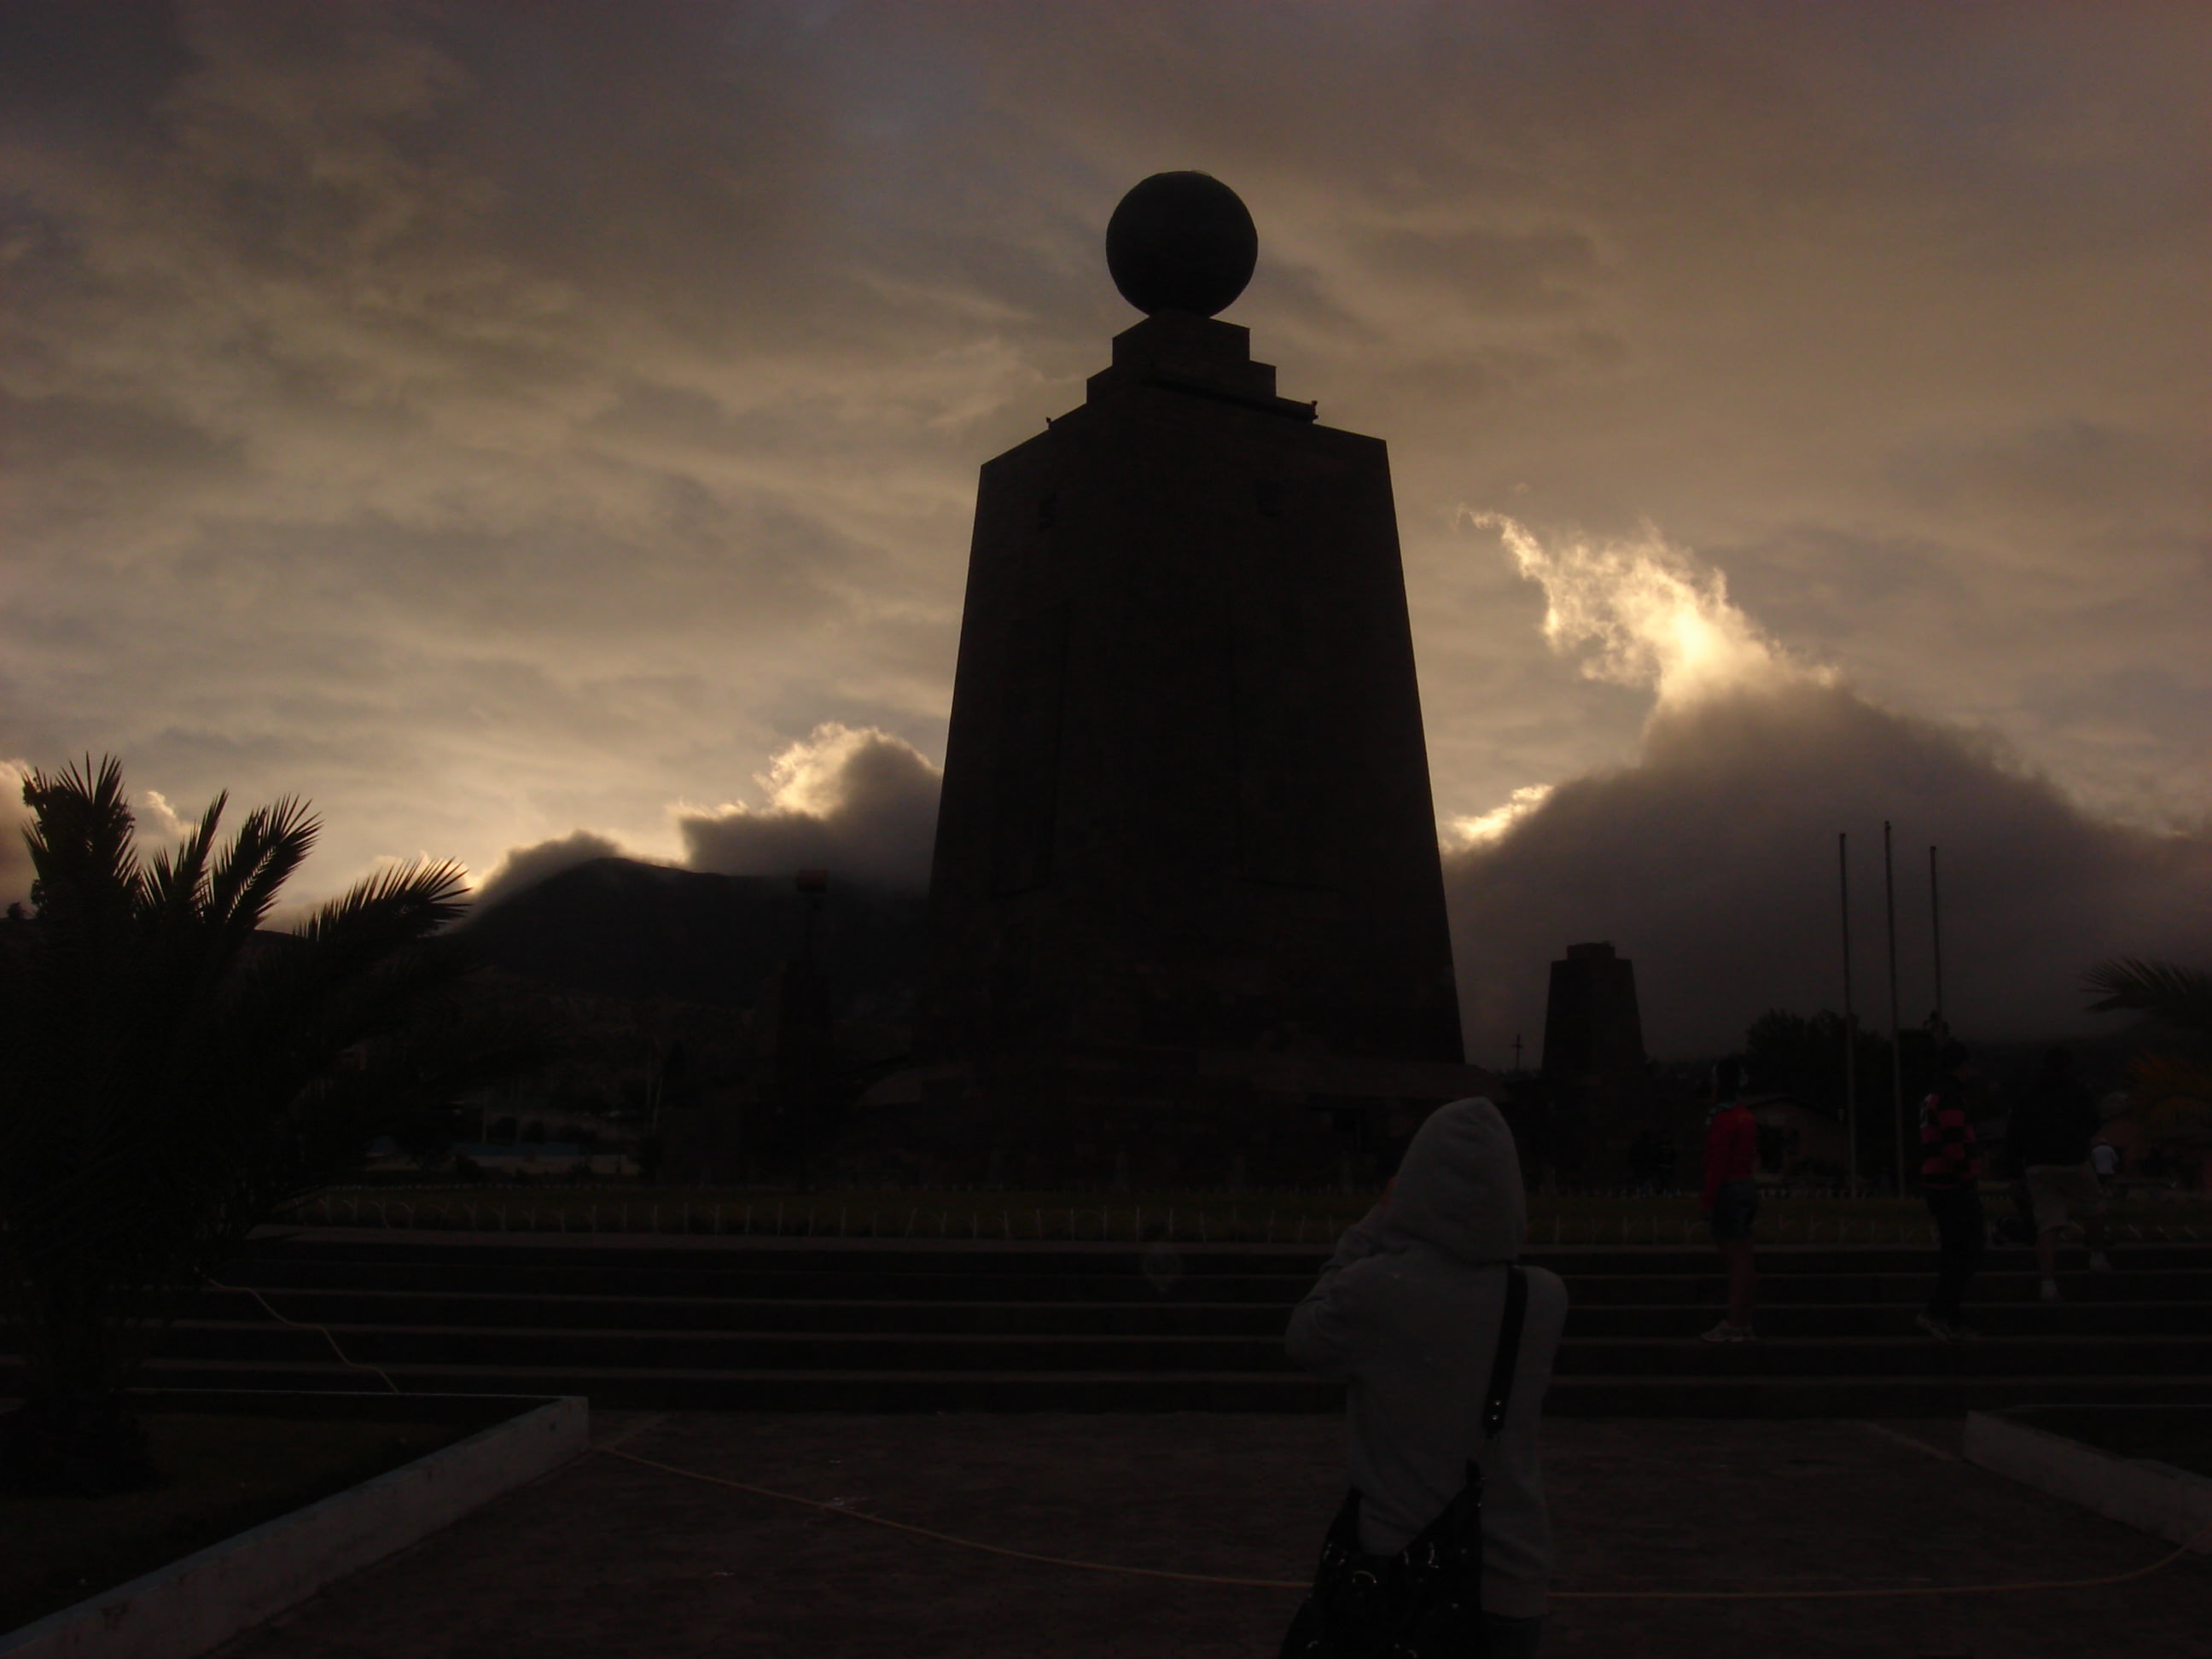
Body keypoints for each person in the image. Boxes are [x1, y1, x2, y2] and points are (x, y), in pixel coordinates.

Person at [1284, 1097, 1569, 1659]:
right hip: (1511, 1579)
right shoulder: (1543, 1298)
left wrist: (1373, 1224)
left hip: (1399, 1575)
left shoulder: (1377, 1290)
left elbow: (1305, 1339)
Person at [2011, 1047, 2112, 1300]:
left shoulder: (2029, 1094)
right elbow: (2093, 1123)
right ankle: (2097, 1255)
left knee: (2048, 1222)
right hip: (2073, 1160)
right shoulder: (2078, 1091)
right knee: (2093, 1204)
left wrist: (2016, 1167)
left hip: (2038, 1164)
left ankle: (2048, 1282)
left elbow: (2015, 1132)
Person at [1916, 1039, 1985, 1340]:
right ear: (1962, 1064)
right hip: (1952, 1184)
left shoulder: (1933, 1094)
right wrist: (1968, 1172)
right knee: (1967, 1249)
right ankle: (1937, 1311)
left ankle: (1951, 1317)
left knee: (1956, 1251)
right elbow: (1953, 1143)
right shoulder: (1950, 1096)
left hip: (1938, 1182)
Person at [1700, 1057, 1758, 1342]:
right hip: (1745, 1187)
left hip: (1729, 1191)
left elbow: (1717, 1163)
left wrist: (1707, 1200)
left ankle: (1734, 1324)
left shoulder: (1722, 1119)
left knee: (1734, 1264)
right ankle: (1743, 1321)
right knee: (1745, 1261)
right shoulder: (1744, 1115)